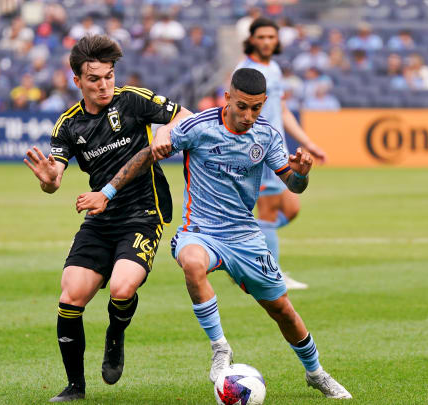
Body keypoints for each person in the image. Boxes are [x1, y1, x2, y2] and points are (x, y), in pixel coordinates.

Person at [75, 68, 352, 400]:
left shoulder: (267, 136)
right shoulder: (199, 127)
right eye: (242, 106)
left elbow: (292, 184)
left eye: (256, 108)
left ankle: (316, 373)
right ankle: (220, 348)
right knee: (192, 262)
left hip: (245, 237)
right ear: (228, 98)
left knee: (282, 310)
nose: (248, 115)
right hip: (200, 231)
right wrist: (107, 191)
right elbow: (147, 154)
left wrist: (302, 174)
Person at [22, 34, 191, 402]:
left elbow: (185, 116)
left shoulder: (133, 99)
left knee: (121, 287)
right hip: (100, 216)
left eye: (109, 76)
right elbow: (55, 179)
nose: (104, 85)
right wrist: (50, 181)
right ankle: (74, 388)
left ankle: (115, 334)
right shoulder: (68, 125)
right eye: (94, 79)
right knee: (71, 295)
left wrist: (166, 130)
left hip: (143, 212)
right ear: (77, 81)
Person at [234, 17, 327, 290]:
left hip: (277, 149)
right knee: (270, 211)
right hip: (257, 150)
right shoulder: (246, 71)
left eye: (271, 37)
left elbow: (282, 111)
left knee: (290, 208)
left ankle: (242, 249)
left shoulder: (272, 68)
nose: (266, 42)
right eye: (261, 37)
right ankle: (271, 276)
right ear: (251, 39)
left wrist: (308, 142)